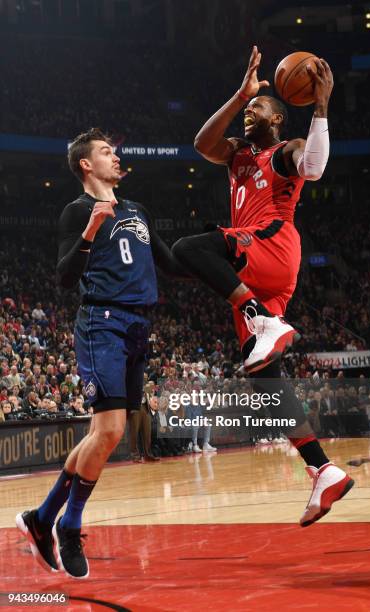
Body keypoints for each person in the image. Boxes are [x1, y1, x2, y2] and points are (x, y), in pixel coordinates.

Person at [172, 46, 353, 526]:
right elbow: (201, 144)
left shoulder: (284, 151)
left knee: (191, 248)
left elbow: (314, 168)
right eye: (249, 110)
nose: (251, 113)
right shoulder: (236, 155)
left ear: (278, 118)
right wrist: (240, 93)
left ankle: (261, 317)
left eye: (258, 108)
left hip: (272, 243)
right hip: (255, 267)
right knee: (265, 382)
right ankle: (323, 468)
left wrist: (320, 106)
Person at [16, 127, 186, 579]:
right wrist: (90, 230)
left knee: (105, 434)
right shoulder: (75, 212)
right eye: (107, 152)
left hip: (138, 326)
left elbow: (169, 262)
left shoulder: (137, 210)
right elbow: (65, 277)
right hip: (102, 322)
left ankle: (42, 517)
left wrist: (223, 253)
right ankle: (68, 526)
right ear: (86, 165)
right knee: (109, 432)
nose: (116, 157)